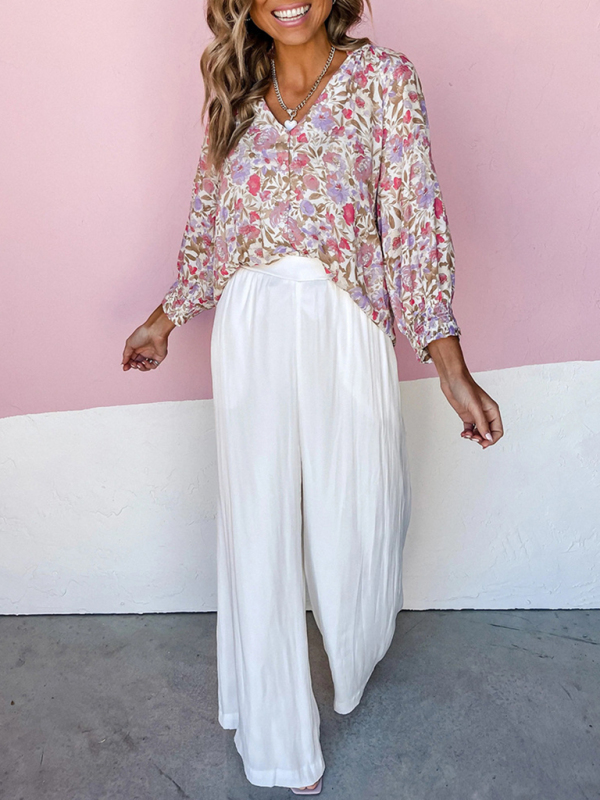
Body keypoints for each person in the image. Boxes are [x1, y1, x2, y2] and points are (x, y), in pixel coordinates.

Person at [122, 0, 504, 792]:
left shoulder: (384, 80)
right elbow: (209, 226)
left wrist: (450, 365)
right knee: (257, 527)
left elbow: (413, 223)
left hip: (346, 323)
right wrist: (166, 318)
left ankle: (351, 652)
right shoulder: (236, 94)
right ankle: (278, 739)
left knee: (358, 523)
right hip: (250, 325)